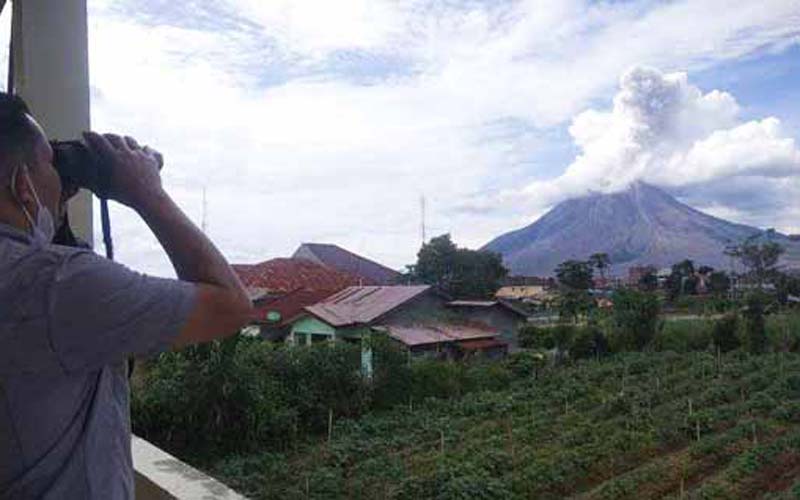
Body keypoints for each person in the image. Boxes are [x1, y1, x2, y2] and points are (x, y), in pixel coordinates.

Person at [0, 92, 254, 499]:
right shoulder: (57, 284)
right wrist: (145, 192)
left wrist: (56, 210)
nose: (61, 174)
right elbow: (232, 306)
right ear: (22, 187)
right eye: (50, 161)